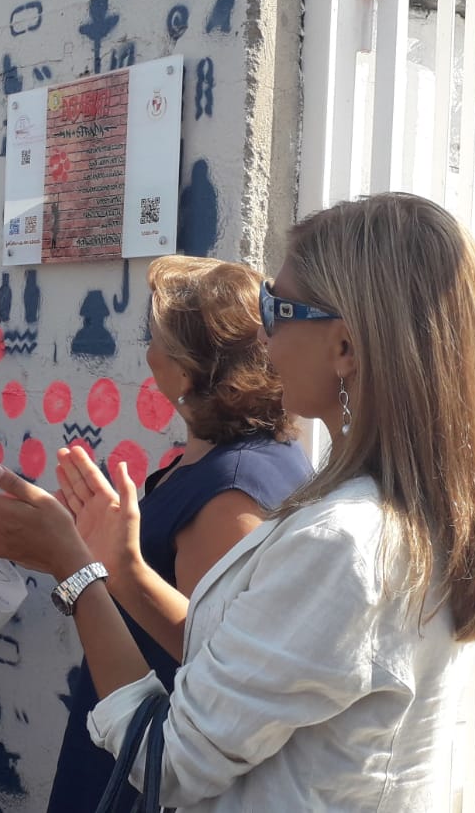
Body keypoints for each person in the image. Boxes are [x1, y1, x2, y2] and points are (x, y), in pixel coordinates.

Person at [0, 193, 475, 811]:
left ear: (345, 347)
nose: (265, 337)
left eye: (276, 308)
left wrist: (78, 574)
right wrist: (119, 571)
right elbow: (241, 672)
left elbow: (167, 763)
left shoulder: (344, 539)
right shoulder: (383, 511)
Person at [46, 255, 311, 813]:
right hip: (132, 731)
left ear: (184, 371)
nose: (147, 351)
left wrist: (79, 564)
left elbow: (213, 654)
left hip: (153, 757)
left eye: (155, 337)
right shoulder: (234, 460)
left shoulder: (230, 493)